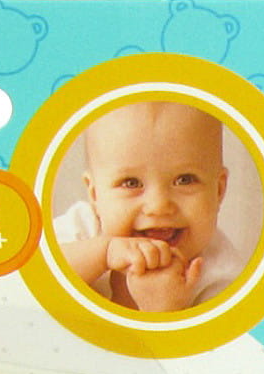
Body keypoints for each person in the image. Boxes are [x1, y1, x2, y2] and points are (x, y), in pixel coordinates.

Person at [56, 100, 242, 312]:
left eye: (184, 180)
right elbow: (35, 275)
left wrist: (164, 309)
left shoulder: (223, 279)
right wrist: (104, 254)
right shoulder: (82, 227)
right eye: (131, 183)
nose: (158, 206)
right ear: (95, 194)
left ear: (218, 191)